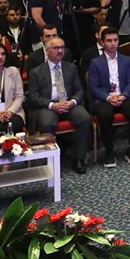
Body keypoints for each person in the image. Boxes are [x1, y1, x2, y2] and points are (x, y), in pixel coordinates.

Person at [26, 36, 95, 172]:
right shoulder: (36, 72)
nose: (60, 51)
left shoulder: (71, 67)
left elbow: (80, 90)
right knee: (47, 122)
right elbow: (33, 97)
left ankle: (79, 158)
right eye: (56, 48)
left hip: (69, 104)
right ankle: (52, 161)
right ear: (47, 51)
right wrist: (52, 105)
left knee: (85, 118)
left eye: (62, 48)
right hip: (48, 106)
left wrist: (72, 102)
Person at [84, 27, 130, 166]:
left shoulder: (126, 60)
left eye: (115, 40)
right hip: (104, 99)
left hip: (122, 96)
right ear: (102, 42)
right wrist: (108, 97)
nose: (113, 43)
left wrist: (124, 95)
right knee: (105, 114)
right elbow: (93, 87)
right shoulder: (95, 62)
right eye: (109, 41)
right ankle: (109, 151)